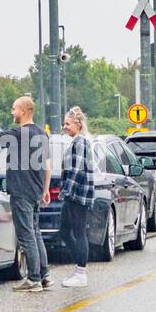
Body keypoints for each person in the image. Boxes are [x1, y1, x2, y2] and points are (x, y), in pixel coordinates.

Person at [0, 96, 51, 291]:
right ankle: (45, 275)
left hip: (21, 190)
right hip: (36, 190)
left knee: (26, 235)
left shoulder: (18, 133)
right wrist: (45, 189)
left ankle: (34, 279)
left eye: (14, 109)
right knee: (35, 233)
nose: (12, 112)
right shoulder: (41, 134)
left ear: (23, 111)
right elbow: (47, 165)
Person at [57, 106, 93, 288]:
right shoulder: (77, 141)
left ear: (78, 125)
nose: (65, 127)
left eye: (68, 124)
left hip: (78, 194)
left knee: (78, 232)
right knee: (64, 230)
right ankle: (79, 266)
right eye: (64, 123)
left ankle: (81, 273)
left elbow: (77, 169)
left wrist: (67, 191)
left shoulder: (81, 142)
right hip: (74, 193)